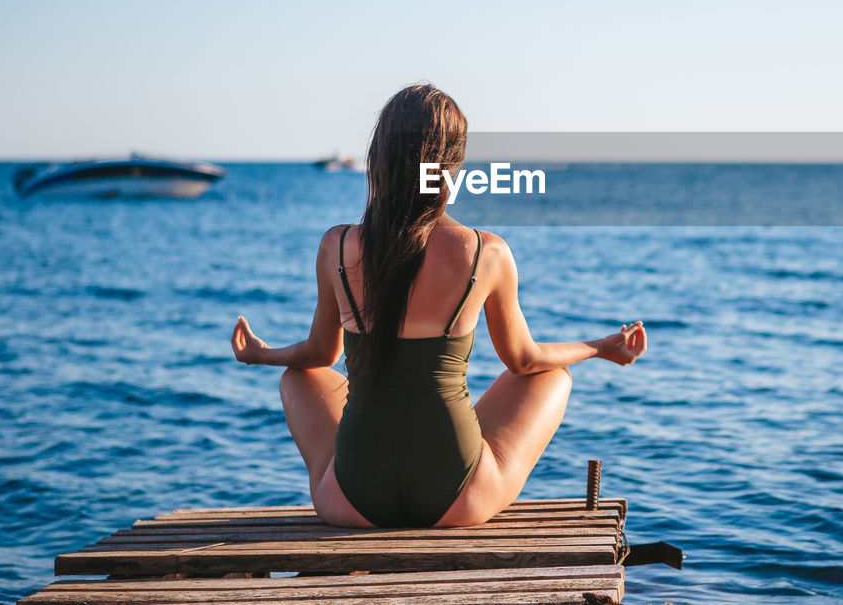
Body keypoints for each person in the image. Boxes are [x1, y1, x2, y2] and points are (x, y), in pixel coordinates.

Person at [230, 83, 648, 527]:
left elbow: (320, 355)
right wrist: (600, 347)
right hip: (458, 499)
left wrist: (262, 354)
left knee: (299, 378)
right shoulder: (486, 252)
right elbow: (525, 360)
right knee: (552, 379)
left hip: (351, 502)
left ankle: (333, 479)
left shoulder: (337, 246)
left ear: (380, 158)